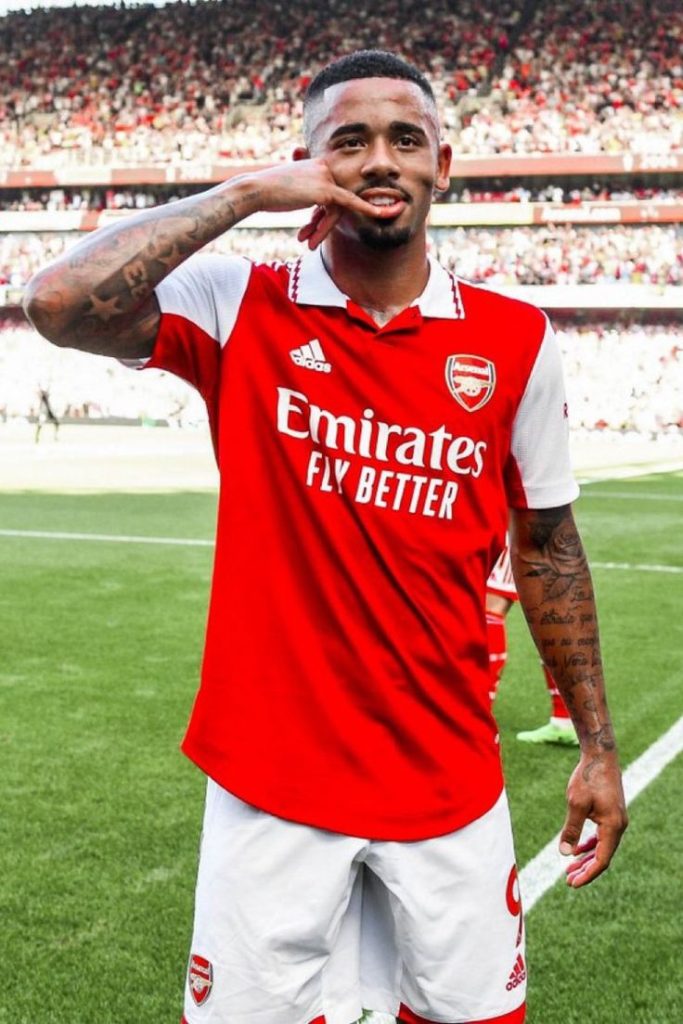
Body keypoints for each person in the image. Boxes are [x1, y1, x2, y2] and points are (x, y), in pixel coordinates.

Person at [24, 49, 627, 1024]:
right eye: (348, 141)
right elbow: (55, 303)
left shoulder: (515, 338)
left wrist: (596, 745)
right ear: (307, 163)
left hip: (447, 781)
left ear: (442, 163)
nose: (379, 159)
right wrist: (245, 194)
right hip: (268, 786)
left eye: (404, 139)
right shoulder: (240, 301)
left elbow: (548, 545)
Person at [486, 542, 579, 746]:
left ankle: (475, 720)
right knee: (549, 612)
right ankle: (566, 720)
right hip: (544, 528)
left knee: (489, 608)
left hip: (512, 527)